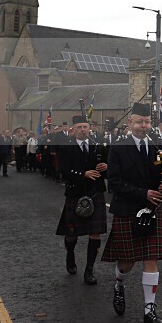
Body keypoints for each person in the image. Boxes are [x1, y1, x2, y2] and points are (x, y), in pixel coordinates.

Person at [101, 103, 162, 323]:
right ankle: (119, 284)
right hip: (128, 209)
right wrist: (143, 192)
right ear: (130, 124)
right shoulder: (118, 148)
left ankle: (149, 309)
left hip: (151, 210)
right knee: (127, 262)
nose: (143, 126)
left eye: (147, 122)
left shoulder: (160, 146)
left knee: (151, 259)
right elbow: (114, 182)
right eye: (138, 122)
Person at [56, 115, 108, 285]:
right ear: (73, 130)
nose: (83, 130)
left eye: (85, 127)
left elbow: (109, 168)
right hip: (75, 192)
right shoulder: (66, 148)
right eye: (79, 127)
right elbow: (63, 171)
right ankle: (70, 254)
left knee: (95, 232)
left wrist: (106, 167)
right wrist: (83, 174)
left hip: (95, 192)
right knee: (72, 233)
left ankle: (89, 269)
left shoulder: (98, 147)